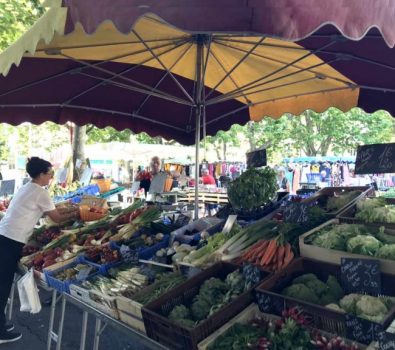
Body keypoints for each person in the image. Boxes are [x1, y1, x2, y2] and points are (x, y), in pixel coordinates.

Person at [0, 157, 79, 344]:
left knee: (2, 283)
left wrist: (70, 208)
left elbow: (48, 212)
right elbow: (57, 218)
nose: (51, 176)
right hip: (11, 240)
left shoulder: (27, 187)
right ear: (41, 174)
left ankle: (1, 323)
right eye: (50, 173)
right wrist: (77, 212)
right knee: (2, 286)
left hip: (4, 236)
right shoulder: (40, 192)